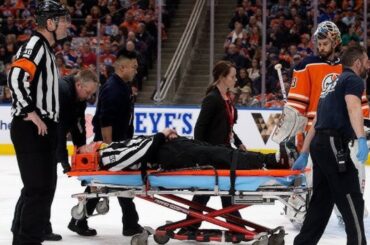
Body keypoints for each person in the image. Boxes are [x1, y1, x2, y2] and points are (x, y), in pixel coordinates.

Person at [181, 61, 289, 233]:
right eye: (232, 76)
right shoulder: (212, 99)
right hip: (214, 154)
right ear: (222, 78)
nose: (235, 79)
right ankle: (232, 227)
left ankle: (192, 226)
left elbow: (228, 126)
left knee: (213, 192)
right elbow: (199, 129)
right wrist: (203, 152)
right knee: (214, 191)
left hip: (224, 151)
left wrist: (238, 142)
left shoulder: (226, 98)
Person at [277, 21, 369, 223]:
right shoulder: (305, 65)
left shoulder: (347, 67)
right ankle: (300, 211)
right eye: (318, 42)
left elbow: (358, 104)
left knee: (352, 184)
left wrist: (364, 132)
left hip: (345, 136)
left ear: (335, 41)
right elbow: (296, 106)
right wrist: (292, 136)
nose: (320, 47)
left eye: (325, 42)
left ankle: (346, 212)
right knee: (312, 186)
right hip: (316, 136)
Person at [7, 1, 70, 244]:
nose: (66, 24)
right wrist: (30, 112)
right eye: (62, 20)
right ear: (50, 23)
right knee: (38, 190)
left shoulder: (44, 48)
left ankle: (22, 237)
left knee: (38, 189)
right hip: (32, 128)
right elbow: (16, 76)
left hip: (42, 128)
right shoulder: (35, 46)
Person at [293, 45, 368, 245]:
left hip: (320, 145)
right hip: (334, 144)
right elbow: (354, 108)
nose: (369, 65)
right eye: (367, 61)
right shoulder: (353, 80)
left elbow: (317, 120)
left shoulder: (332, 84)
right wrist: (361, 138)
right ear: (358, 63)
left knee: (321, 202)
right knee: (352, 197)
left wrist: (305, 151)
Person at [91, 49, 143, 236]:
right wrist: (110, 147)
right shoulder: (113, 88)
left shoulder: (122, 86)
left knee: (110, 184)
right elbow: (106, 120)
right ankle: (130, 223)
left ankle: (79, 220)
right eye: (134, 67)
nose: (136, 70)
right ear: (122, 67)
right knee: (121, 183)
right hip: (112, 145)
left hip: (120, 143)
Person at [95, 128, 292, 172]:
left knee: (218, 149)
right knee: (218, 155)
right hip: (166, 156)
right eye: (83, 149)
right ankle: (271, 160)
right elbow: (139, 154)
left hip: (168, 148)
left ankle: (271, 158)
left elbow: (141, 145)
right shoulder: (106, 156)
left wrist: (164, 136)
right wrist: (160, 136)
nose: (84, 145)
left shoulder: (108, 148)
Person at [53, 69, 99, 236]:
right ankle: (40, 227)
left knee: (45, 186)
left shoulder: (79, 98)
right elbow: (59, 129)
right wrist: (65, 161)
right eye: (87, 92)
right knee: (42, 186)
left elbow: (78, 126)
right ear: (78, 84)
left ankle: (42, 227)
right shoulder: (62, 91)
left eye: (91, 94)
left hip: (52, 137)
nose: (88, 97)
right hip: (40, 138)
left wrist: (82, 153)